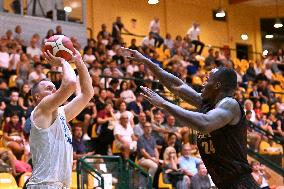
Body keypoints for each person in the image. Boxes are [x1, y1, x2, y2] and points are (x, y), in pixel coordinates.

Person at [121, 48, 260, 189]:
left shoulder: (230, 105)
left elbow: (204, 123)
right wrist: (146, 61)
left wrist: (164, 103)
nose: (203, 83)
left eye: (207, 80)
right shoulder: (207, 103)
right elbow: (177, 85)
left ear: (217, 85)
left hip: (240, 184)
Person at [26, 49, 94, 188]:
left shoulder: (62, 113)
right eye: (48, 88)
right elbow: (70, 84)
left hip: (60, 185)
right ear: (37, 97)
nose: (54, 90)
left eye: (54, 87)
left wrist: (80, 63)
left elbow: (88, 93)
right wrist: (63, 61)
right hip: (44, 185)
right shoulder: (41, 108)